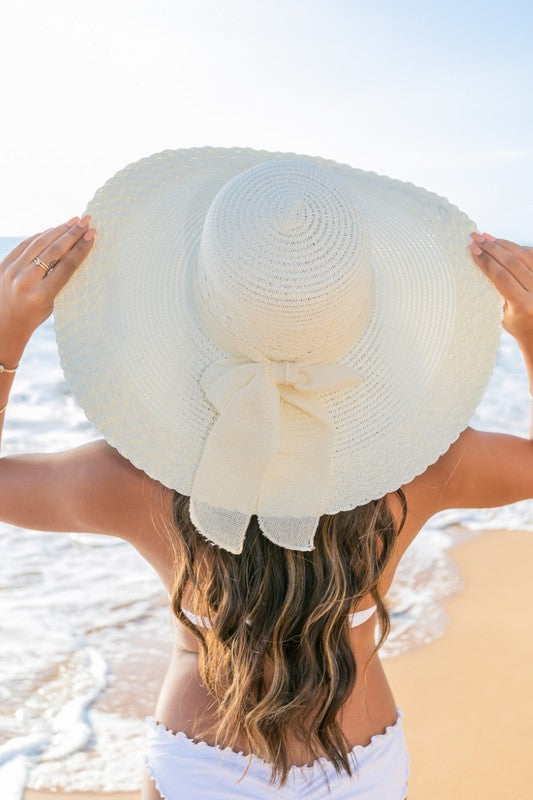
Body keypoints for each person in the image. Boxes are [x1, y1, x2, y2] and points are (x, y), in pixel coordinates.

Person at [1, 148, 532, 800]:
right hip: (360, 768)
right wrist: (530, 332)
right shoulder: (425, 469)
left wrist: (7, 332)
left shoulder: (133, 479)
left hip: (201, 768)